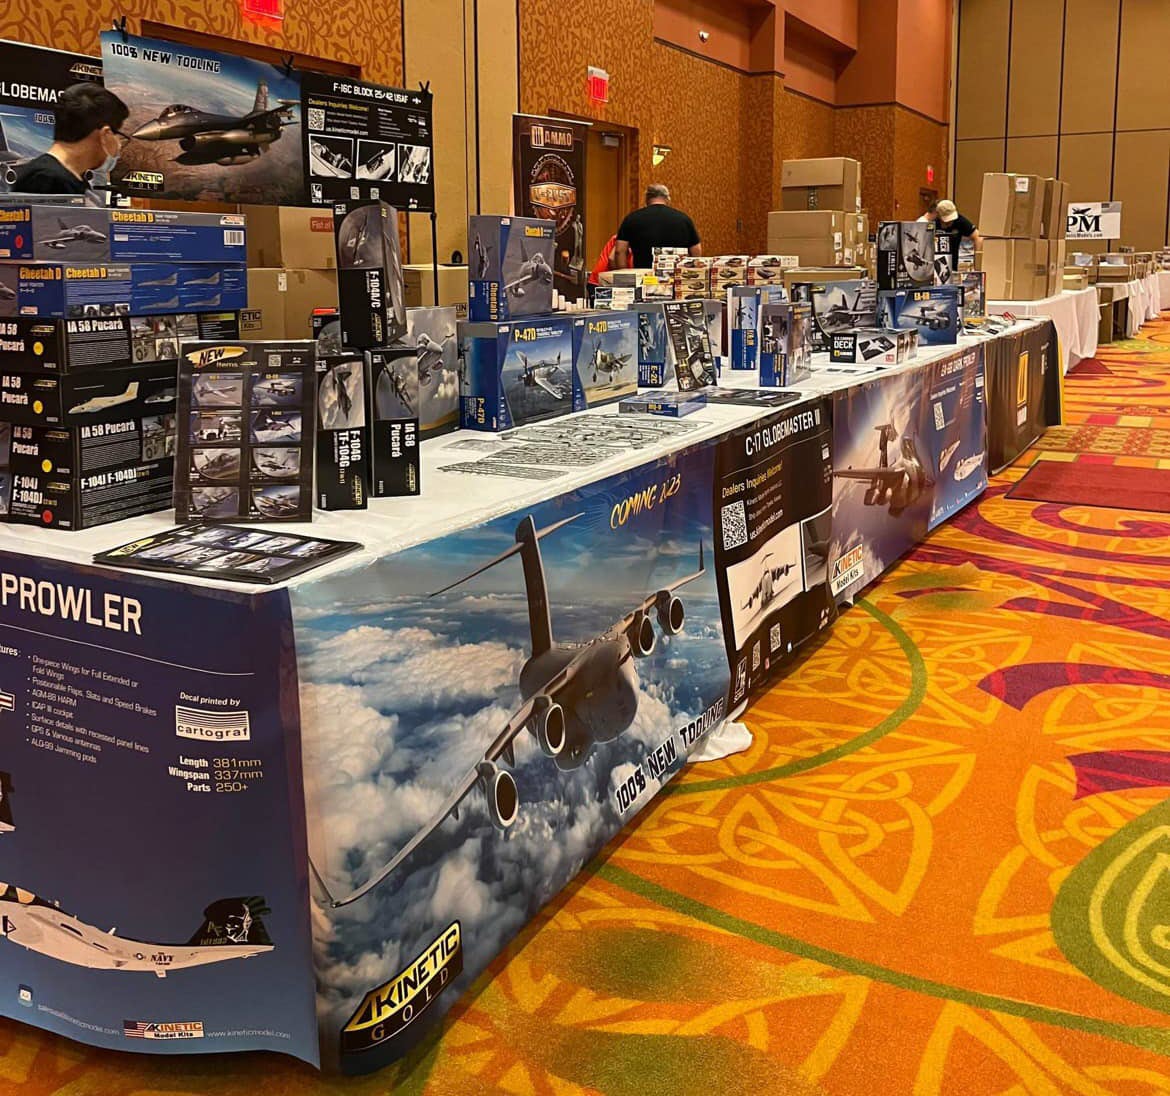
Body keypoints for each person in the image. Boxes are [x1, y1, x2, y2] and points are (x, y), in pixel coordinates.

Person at [11, 83, 129, 198]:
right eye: (120, 136)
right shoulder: (46, 180)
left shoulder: (67, 179)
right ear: (106, 134)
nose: (119, 145)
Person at [614, 184, 701, 270]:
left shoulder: (631, 219)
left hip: (643, 276)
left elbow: (619, 251)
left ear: (646, 199)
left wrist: (624, 274)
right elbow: (696, 251)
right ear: (668, 199)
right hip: (675, 275)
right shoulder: (684, 220)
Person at [933, 199, 981, 268]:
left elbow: (977, 237)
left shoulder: (960, 221)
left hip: (953, 263)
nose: (950, 222)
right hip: (933, 262)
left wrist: (977, 261)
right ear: (939, 215)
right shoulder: (932, 222)